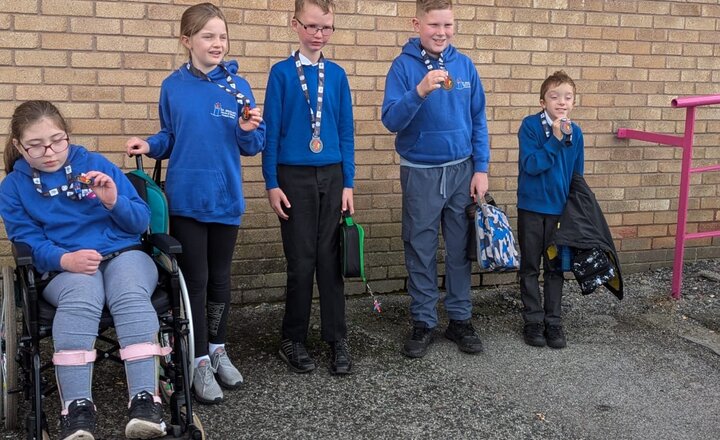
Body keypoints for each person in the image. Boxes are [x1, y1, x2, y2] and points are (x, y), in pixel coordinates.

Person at [0, 100, 166, 440]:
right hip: (64, 267)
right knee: (82, 293)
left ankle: (146, 403)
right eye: (35, 145)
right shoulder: (13, 188)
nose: (49, 151)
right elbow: (27, 242)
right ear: (18, 145)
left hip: (124, 252)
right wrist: (65, 260)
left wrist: (112, 201)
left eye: (57, 140)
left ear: (67, 135)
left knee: (129, 291)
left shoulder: (93, 164)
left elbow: (140, 221)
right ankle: (77, 410)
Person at [125, 3, 265, 403]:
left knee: (221, 280)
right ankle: (198, 358)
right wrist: (149, 144)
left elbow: (254, 144)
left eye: (222, 36)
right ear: (187, 41)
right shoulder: (173, 86)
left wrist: (247, 128)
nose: (217, 43)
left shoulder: (238, 87)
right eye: (208, 36)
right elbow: (170, 136)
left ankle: (218, 349)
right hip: (186, 201)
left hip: (226, 200)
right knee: (196, 284)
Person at [381, 0, 490, 358]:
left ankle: (460, 319)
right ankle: (424, 321)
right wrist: (420, 91)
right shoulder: (402, 67)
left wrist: (481, 168)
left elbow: (478, 120)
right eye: (434, 25)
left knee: (459, 250)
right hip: (421, 172)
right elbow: (391, 120)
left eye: (448, 25)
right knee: (421, 249)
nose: (441, 33)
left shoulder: (465, 65)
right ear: (417, 24)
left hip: (462, 171)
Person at [262, 0, 355, 375]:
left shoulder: (337, 75)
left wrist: (348, 181)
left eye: (327, 28)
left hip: (332, 175)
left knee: (330, 261)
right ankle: (293, 338)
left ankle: (337, 338)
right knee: (301, 262)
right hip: (293, 177)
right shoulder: (281, 74)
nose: (319, 35)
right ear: (295, 25)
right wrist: (271, 182)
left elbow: (346, 132)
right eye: (312, 27)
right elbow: (270, 131)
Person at [516, 70, 584, 349]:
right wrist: (555, 139)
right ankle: (533, 320)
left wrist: (576, 209)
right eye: (554, 96)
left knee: (555, 267)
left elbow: (577, 174)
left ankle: (553, 322)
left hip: (559, 213)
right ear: (542, 101)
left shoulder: (576, 133)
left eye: (568, 97)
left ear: (574, 102)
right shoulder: (530, 126)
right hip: (532, 209)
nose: (561, 102)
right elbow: (532, 165)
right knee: (530, 265)